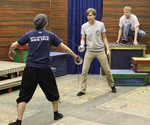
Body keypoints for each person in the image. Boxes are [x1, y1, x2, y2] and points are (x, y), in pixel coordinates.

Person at [8, 14, 81, 125]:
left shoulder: (29, 34)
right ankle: (56, 114)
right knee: (53, 91)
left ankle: (18, 121)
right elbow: (65, 48)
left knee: (23, 96)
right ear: (46, 24)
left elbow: (13, 45)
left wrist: (11, 52)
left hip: (30, 69)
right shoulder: (50, 35)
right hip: (44, 69)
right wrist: (75, 56)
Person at [77, 8, 117, 97]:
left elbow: (104, 37)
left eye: (91, 15)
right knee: (84, 71)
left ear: (94, 15)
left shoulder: (100, 25)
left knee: (107, 70)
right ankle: (82, 90)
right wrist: (82, 45)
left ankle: (112, 85)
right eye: (88, 15)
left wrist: (107, 49)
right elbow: (83, 39)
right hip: (89, 51)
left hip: (100, 51)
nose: (89, 17)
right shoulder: (84, 26)